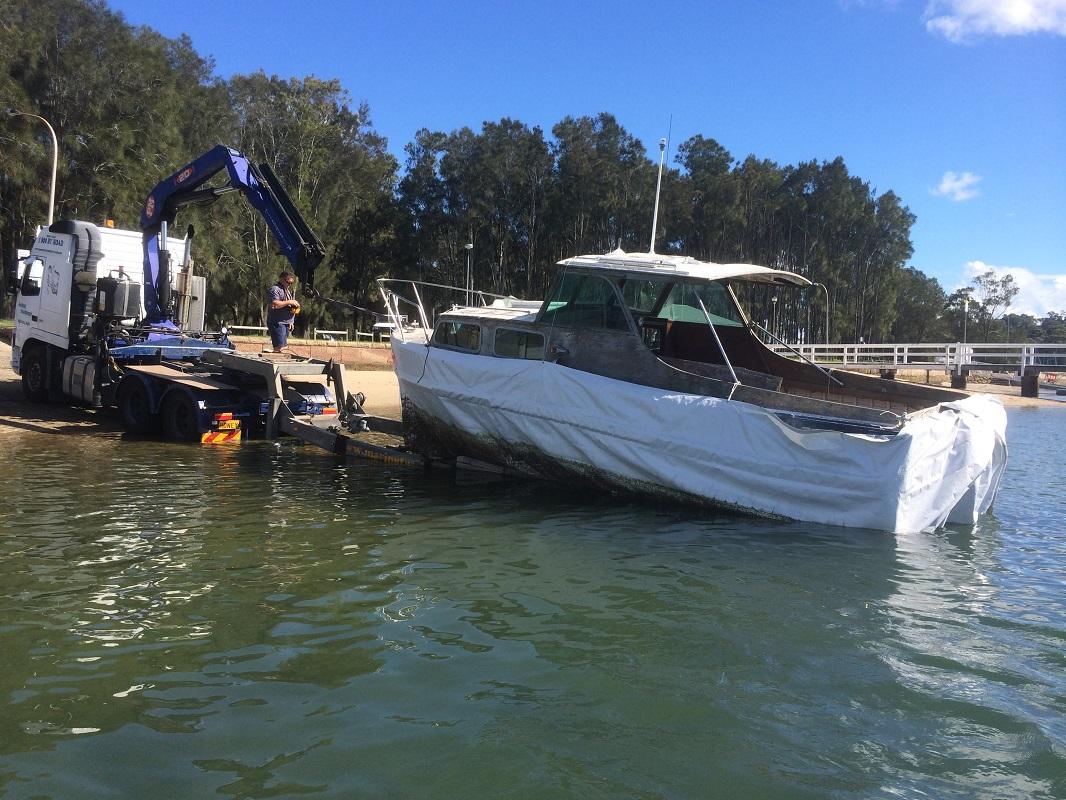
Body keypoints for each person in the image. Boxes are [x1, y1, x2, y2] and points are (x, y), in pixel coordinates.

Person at [266, 271, 300, 352]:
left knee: (283, 347)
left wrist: (291, 321)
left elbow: (289, 308)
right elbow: (275, 304)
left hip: (286, 323)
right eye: (288, 282)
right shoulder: (275, 289)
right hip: (277, 323)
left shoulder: (287, 291)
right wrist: (290, 302)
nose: (290, 284)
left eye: (291, 283)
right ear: (281, 279)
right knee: (279, 348)